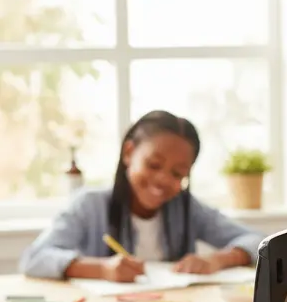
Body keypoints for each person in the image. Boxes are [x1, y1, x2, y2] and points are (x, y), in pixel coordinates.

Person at [20, 111, 262, 282]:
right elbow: (34, 258)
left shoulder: (187, 208)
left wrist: (216, 260)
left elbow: (258, 241)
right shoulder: (90, 205)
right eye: (154, 164)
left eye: (178, 173)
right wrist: (102, 269)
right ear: (129, 152)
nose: (163, 180)